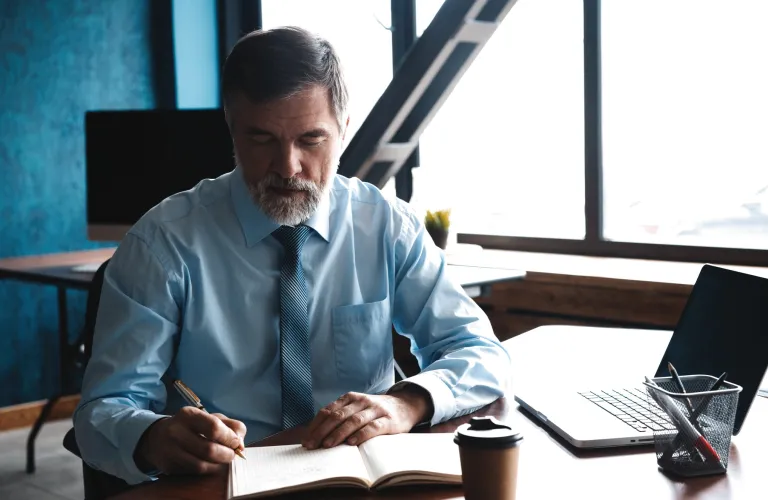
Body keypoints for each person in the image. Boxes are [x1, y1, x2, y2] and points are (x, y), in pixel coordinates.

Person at [74, 26, 511, 485]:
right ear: (231, 126)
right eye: (261, 139)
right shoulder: (162, 244)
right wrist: (154, 437)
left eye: (310, 140)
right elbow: (102, 411)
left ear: (343, 129)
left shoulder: (385, 225)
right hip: (226, 482)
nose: (287, 167)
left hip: (366, 480)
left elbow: (480, 352)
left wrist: (408, 402)